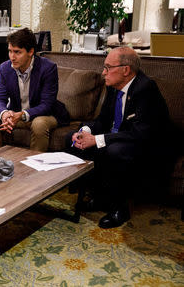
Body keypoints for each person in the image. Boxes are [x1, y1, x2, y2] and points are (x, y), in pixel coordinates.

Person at [67, 46, 171, 229]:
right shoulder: (114, 87)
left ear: (126, 70)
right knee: (72, 137)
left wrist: (98, 139)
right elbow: (102, 121)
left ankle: (119, 209)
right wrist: (84, 131)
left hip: (148, 145)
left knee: (114, 150)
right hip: (123, 137)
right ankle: (98, 198)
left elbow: (139, 133)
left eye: (108, 67)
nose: (103, 73)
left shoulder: (145, 88)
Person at [0, 28, 69, 152]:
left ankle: (34, 168)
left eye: (17, 52)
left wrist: (22, 115)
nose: (12, 57)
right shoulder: (5, 68)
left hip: (45, 114)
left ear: (30, 52)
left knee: (39, 124)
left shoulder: (48, 68)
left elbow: (47, 104)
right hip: (17, 113)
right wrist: (5, 114)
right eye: (10, 51)